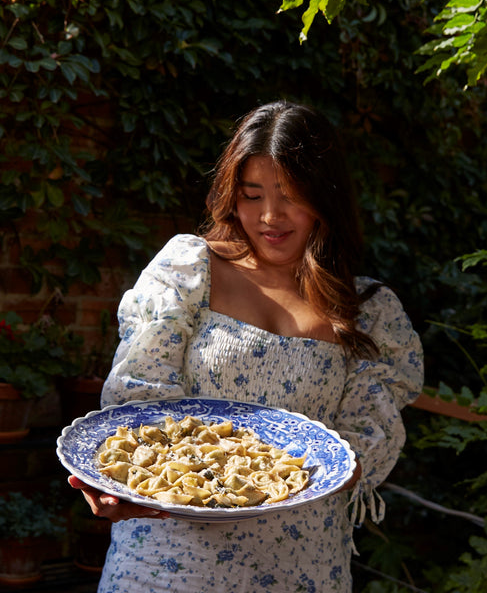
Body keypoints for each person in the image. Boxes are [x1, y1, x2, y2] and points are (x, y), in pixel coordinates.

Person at [69, 100, 424, 592]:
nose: (270, 216)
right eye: (252, 195)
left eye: (291, 195)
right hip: (168, 562)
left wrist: (306, 473)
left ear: (327, 196)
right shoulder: (188, 270)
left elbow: (364, 441)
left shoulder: (368, 311)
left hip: (299, 563)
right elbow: (138, 403)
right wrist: (118, 482)